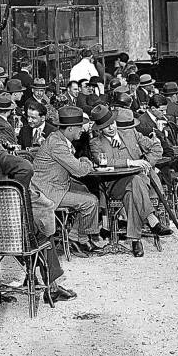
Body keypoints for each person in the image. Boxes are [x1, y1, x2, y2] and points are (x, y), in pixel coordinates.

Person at [0, 109, 72, 301]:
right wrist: (14, 192)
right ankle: (51, 286)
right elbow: (26, 168)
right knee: (40, 230)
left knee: (27, 229)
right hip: (5, 232)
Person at [86, 104, 171, 257]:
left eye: (112, 123)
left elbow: (156, 148)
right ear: (99, 129)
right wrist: (131, 162)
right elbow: (103, 161)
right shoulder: (96, 143)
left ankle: (137, 237)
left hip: (142, 182)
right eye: (106, 127)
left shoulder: (131, 133)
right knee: (134, 186)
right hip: (114, 185)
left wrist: (147, 163)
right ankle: (148, 223)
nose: (111, 128)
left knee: (135, 183)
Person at [31, 106, 109, 256]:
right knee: (91, 201)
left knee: (86, 191)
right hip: (47, 191)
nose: (83, 129)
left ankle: (74, 235)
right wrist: (86, 161)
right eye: (80, 127)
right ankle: (83, 239)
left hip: (55, 184)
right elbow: (79, 170)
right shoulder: (57, 144)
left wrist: (81, 162)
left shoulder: (59, 138)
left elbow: (73, 164)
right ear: (71, 128)